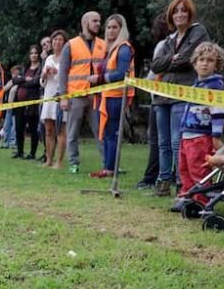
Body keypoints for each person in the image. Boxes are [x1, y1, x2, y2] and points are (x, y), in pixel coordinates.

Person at [150, 0, 210, 197]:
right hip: (162, 95)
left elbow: (188, 59)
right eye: (176, 11)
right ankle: (163, 181)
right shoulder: (168, 40)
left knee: (178, 141)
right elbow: (155, 65)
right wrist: (171, 59)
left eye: (183, 10)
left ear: (190, 13)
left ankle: (181, 183)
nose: (179, 14)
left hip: (182, 93)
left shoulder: (198, 32)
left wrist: (169, 61)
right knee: (163, 142)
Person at [173, 42, 224, 211]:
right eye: (201, 59)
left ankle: (203, 202)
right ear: (194, 63)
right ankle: (187, 197)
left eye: (210, 60)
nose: (205, 63)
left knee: (199, 171)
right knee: (184, 169)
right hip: (186, 135)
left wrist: (216, 136)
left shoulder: (215, 86)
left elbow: (218, 112)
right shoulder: (196, 85)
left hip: (201, 137)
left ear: (216, 65)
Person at [57, 11, 105, 174]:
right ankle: (73, 163)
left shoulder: (103, 44)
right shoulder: (71, 44)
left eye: (99, 21)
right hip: (75, 95)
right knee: (72, 132)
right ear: (85, 23)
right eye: (94, 21)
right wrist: (63, 96)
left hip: (96, 95)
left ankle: (107, 163)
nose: (98, 24)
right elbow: (62, 72)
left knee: (100, 131)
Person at [93, 14, 134, 179]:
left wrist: (100, 78)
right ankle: (108, 167)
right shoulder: (110, 49)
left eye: (114, 27)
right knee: (108, 133)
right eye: (108, 27)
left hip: (116, 96)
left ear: (121, 29)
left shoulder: (123, 48)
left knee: (112, 133)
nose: (110, 30)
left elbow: (122, 74)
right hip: (107, 95)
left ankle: (110, 169)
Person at [137, 12, 171, 190]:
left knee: (157, 140)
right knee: (167, 141)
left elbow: (154, 72)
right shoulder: (174, 45)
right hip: (167, 98)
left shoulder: (162, 45)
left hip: (159, 99)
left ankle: (151, 177)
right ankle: (165, 175)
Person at [41, 30, 68, 169]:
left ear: (64, 42)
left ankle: (59, 161)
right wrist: (44, 75)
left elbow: (69, 79)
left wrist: (57, 73)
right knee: (48, 130)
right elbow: (42, 81)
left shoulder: (67, 58)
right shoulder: (49, 58)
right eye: (54, 40)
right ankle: (48, 160)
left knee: (61, 130)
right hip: (48, 95)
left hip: (61, 95)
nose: (57, 42)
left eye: (60, 40)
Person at [12, 45, 43, 160]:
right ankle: (20, 151)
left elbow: (36, 82)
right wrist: (24, 79)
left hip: (32, 102)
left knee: (33, 128)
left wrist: (22, 81)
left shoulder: (41, 68)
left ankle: (32, 153)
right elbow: (15, 80)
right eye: (31, 53)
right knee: (19, 128)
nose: (33, 55)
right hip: (19, 101)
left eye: (35, 53)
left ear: (39, 55)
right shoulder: (25, 67)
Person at [0, 64, 22, 149]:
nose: (14, 74)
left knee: (14, 126)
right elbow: (4, 89)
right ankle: (6, 142)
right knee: (7, 125)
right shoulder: (11, 81)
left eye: (15, 72)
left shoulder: (20, 81)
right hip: (9, 106)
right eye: (12, 72)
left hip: (16, 106)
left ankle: (13, 142)